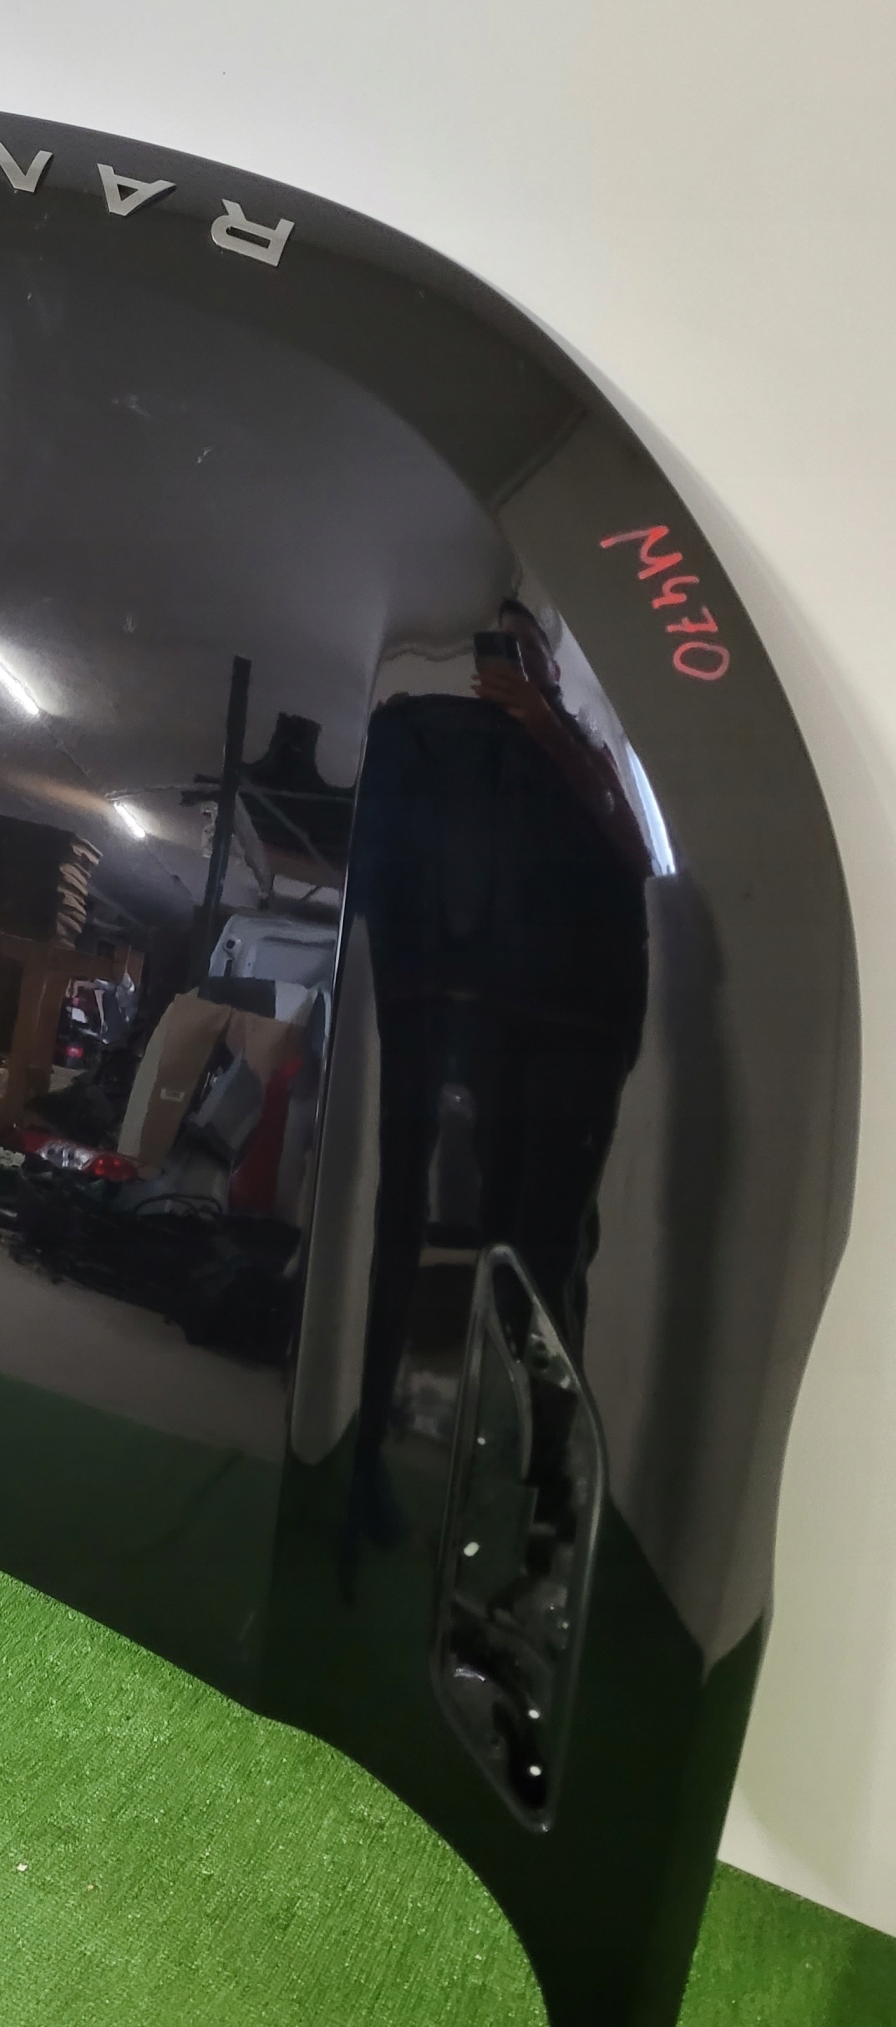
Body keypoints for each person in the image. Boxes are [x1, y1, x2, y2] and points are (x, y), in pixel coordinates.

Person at [339, 601, 651, 1589]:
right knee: (410, 1216)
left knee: (542, 1255)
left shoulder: (581, 746)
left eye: (525, 644)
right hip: (453, 995)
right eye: (498, 643)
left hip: (565, 1018)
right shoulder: (427, 742)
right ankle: (372, 1463)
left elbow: (635, 858)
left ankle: (540, 1519)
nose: (507, 658)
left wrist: (546, 725)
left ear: (549, 663)